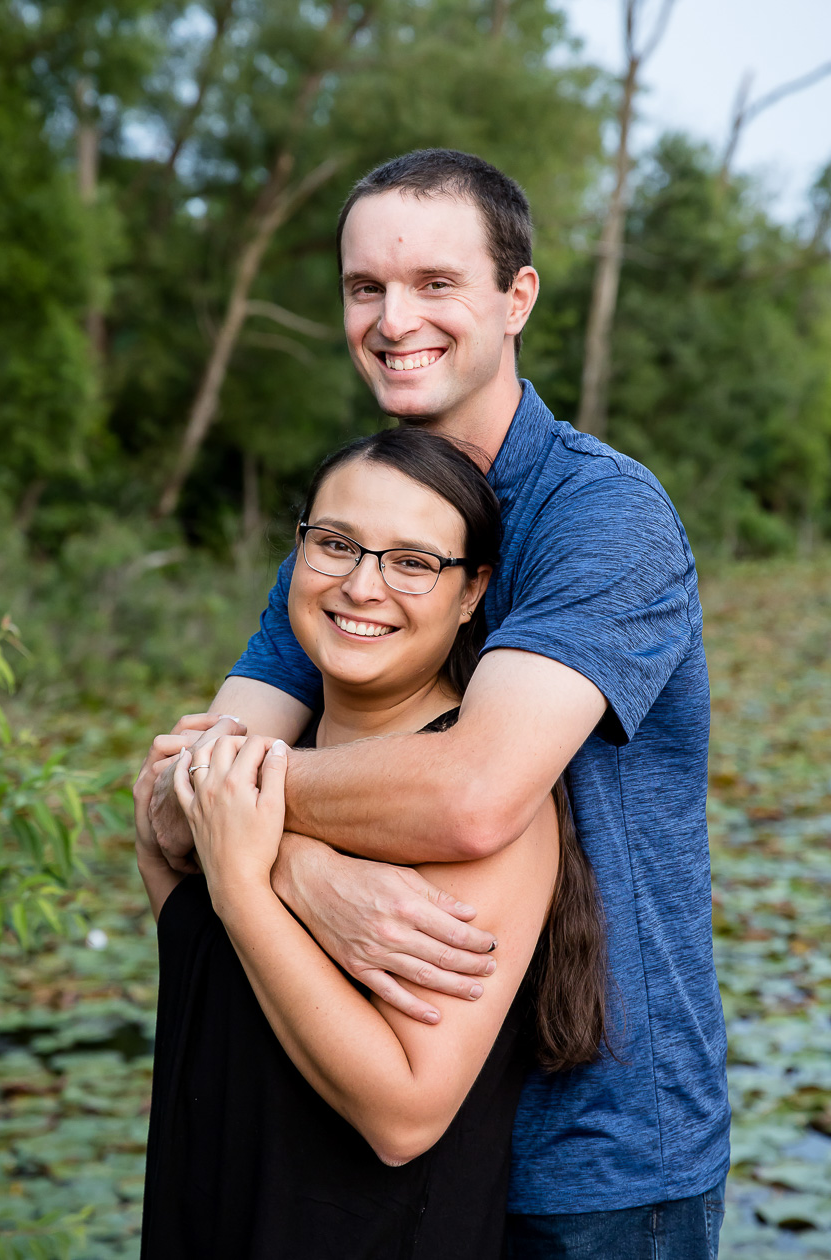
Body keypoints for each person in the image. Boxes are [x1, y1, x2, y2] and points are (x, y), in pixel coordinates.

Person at [141, 149, 730, 1257]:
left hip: (593, 1155)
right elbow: (169, 797)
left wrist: (244, 832)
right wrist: (307, 871)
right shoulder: (357, 531)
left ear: (517, 299)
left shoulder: (603, 518)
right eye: (366, 287)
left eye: (433, 284)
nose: (393, 317)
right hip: (379, 1155)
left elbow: (471, 798)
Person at [134, 428, 607, 1259]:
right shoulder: (258, 767)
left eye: (414, 561)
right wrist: (288, 859)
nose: (361, 585)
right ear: (298, 553)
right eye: (336, 544)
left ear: (473, 592)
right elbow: (162, 837)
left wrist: (245, 884)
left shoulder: (482, 811)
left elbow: (404, 1116)